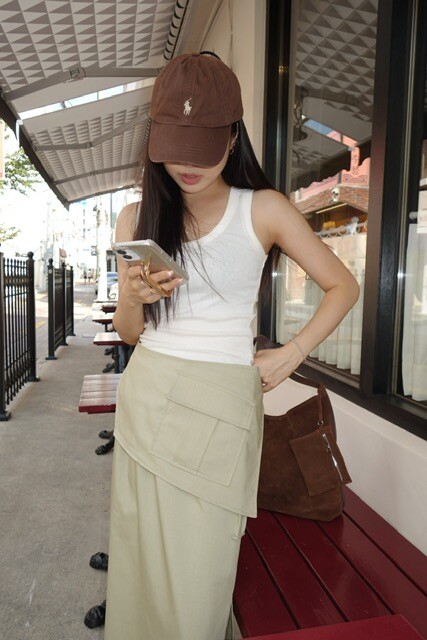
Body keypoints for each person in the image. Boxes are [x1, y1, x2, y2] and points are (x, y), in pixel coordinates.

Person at [104, 52, 359, 640]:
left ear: (233, 136)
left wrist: (291, 354)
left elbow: (343, 286)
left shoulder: (262, 208)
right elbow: (130, 334)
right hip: (147, 398)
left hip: (220, 409)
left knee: (199, 579)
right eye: (176, 147)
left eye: (204, 147)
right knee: (141, 567)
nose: (188, 164)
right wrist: (133, 296)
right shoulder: (134, 217)